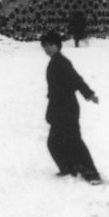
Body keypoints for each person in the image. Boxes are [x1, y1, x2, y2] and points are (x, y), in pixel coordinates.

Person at [40, 30, 102, 183]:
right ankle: (69, 167)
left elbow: (76, 80)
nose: (48, 48)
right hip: (59, 107)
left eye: (51, 45)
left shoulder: (61, 62)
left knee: (71, 140)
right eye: (45, 46)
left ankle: (91, 173)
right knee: (57, 141)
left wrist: (89, 94)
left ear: (58, 45)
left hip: (67, 107)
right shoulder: (55, 61)